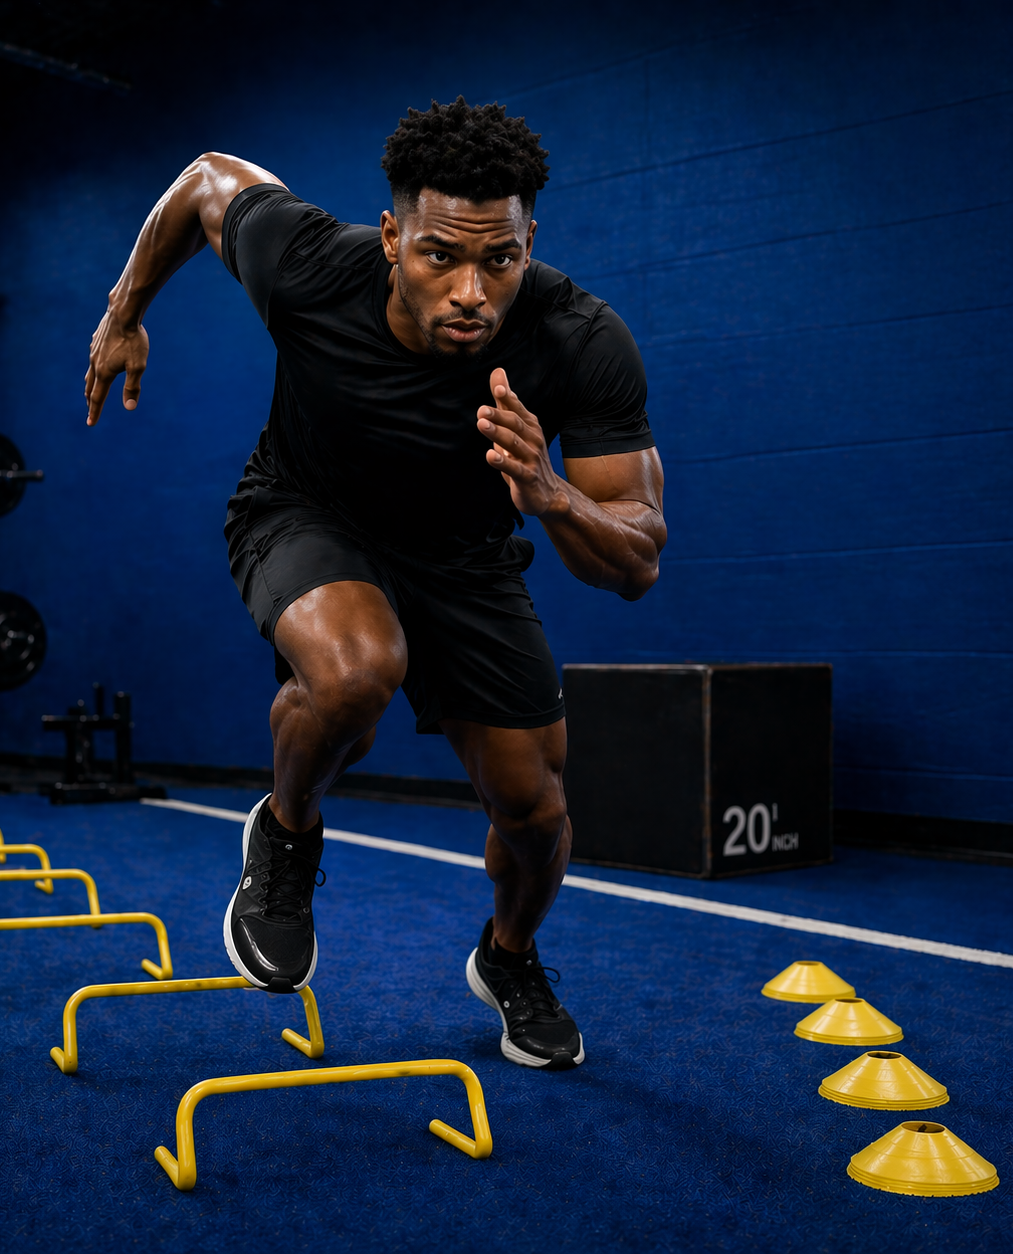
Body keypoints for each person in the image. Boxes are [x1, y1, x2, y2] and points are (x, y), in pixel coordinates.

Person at [85, 98, 666, 1070]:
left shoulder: (576, 337)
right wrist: (124, 311)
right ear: (393, 236)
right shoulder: (311, 263)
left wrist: (552, 496)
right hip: (308, 513)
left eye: (501, 259)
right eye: (442, 254)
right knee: (358, 671)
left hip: (468, 559)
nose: (473, 290)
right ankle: (287, 834)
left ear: (531, 242)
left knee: (536, 812)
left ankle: (508, 957)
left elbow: (639, 561)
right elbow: (204, 180)